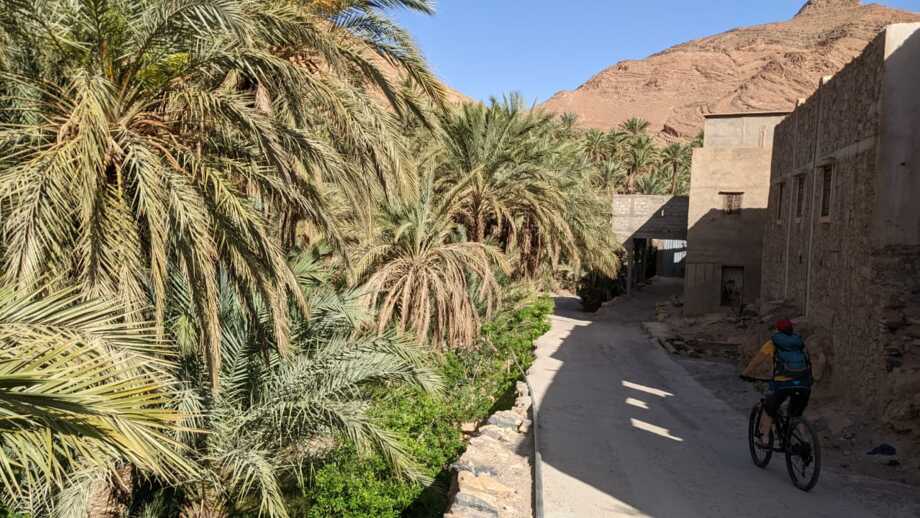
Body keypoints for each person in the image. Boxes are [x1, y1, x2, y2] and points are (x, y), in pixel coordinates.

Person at [741, 319, 813, 447]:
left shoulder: (774, 342)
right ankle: (805, 440)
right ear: (791, 329)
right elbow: (808, 361)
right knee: (796, 414)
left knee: (769, 409)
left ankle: (765, 439)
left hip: (783, 384)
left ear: (778, 330)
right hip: (803, 383)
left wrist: (745, 373)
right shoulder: (799, 342)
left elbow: (758, 360)